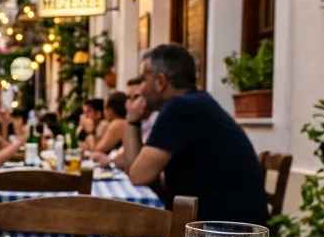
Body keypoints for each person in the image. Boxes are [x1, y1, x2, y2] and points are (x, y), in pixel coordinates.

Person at [123, 44, 269, 225]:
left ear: (161, 81)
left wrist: (132, 120)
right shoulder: (196, 103)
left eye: (144, 80)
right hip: (236, 225)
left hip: (226, 235)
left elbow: (137, 175)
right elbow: (146, 176)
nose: (140, 90)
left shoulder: (180, 108)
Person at [86, 93, 128, 159]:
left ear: (111, 110)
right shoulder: (123, 122)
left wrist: (89, 131)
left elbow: (95, 151)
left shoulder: (117, 124)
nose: (104, 113)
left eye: (105, 108)